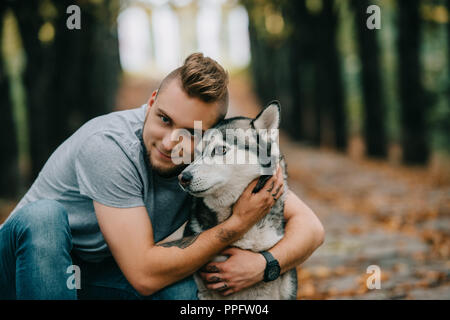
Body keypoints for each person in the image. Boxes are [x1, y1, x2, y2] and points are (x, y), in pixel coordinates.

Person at [0, 53, 324, 300]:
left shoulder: (207, 165)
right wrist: (235, 226)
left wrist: (264, 264)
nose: (171, 142)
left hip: (85, 273)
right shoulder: (107, 147)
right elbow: (143, 274)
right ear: (151, 102)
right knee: (43, 216)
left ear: (211, 136)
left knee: (183, 294)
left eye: (189, 132)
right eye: (164, 119)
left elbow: (311, 228)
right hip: (16, 270)